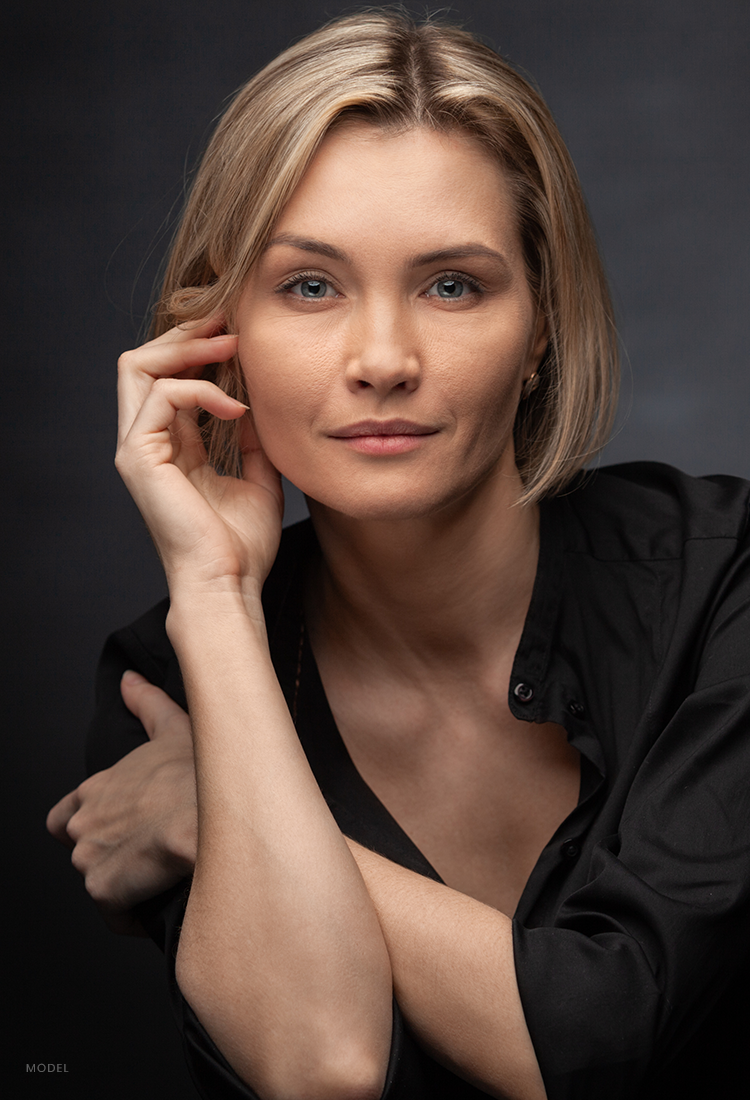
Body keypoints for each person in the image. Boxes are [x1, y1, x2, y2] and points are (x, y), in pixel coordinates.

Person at [46, 9, 750, 1100]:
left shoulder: (725, 581)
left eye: (452, 284)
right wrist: (218, 590)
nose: (383, 359)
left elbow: (614, 1034)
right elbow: (321, 1061)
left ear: (543, 325)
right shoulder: (173, 683)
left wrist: (206, 809)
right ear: (218, 333)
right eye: (311, 286)